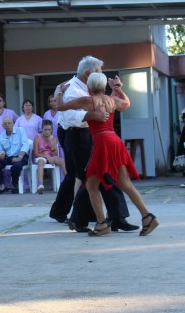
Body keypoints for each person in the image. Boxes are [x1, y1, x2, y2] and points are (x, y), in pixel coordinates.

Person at [56, 72, 159, 236]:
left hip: (102, 143)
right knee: (125, 183)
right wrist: (118, 89)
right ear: (104, 86)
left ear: (89, 86)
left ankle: (102, 224)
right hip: (115, 141)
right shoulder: (111, 100)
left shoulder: (88, 101)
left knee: (91, 185)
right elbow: (127, 103)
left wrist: (59, 92)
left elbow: (60, 107)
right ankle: (147, 217)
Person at [50, 55, 137, 232]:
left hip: (94, 135)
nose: (102, 75)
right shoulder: (72, 89)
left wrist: (116, 90)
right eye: (99, 71)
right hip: (76, 134)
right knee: (87, 177)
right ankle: (80, 219)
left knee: (97, 175)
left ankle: (112, 217)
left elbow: (110, 104)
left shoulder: (91, 90)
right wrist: (92, 115)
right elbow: (67, 115)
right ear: (88, 74)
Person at [0, 116, 29, 194]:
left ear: (13, 124)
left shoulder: (20, 131)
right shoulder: (1, 136)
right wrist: (0, 156)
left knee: (16, 166)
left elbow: (25, 145)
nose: (7, 125)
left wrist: (20, 157)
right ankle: (2, 185)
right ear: (2, 126)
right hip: (8, 157)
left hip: (21, 156)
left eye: (9, 123)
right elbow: (0, 150)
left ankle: (14, 185)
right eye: (5, 124)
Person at [33, 120, 66, 194]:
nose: (47, 132)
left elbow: (54, 154)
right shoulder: (37, 137)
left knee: (62, 161)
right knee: (41, 162)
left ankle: (69, 181)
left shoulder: (53, 138)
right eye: (45, 129)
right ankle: (40, 184)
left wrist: (52, 143)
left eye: (49, 130)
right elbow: (36, 153)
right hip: (41, 156)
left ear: (51, 130)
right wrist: (46, 156)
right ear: (42, 129)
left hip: (51, 157)